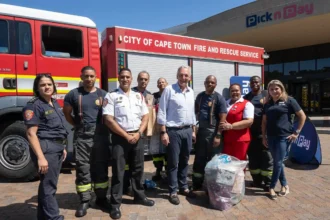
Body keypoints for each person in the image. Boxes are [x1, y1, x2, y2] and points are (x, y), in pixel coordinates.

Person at [103, 68, 155, 220]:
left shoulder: (138, 96)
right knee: (118, 172)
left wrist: (139, 133)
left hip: (137, 136)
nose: (125, 79)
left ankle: (139, 196)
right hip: (120, 138)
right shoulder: (111, 96)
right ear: (119, 78)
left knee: (138, 169)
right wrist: (126, 135)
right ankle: (115, 204)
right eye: (123, 77)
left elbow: (145, 116)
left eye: (128, 77)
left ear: (131, 79)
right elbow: (108, 119)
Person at [63, 66, 110, 217]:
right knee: (83, 168)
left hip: (101, 136)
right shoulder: (73, 94)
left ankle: (101, 198)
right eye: (86, 76)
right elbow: (67, 113)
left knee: (101, 167)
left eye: (91, 76)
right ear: (81, 77)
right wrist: (77, 125)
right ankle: (84, 200)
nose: (89, 79)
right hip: (82, 137)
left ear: (96, 77)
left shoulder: (103, 94)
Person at [23, 74, 68, 220]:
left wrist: (62, 147)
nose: (47, 87)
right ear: (37, 88)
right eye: (43, 85)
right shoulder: (33, 105)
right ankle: (54, 218)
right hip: (46, 149)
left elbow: (56, 129)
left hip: (56, 147)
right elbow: (31, 134)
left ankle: (43, 217)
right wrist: (41, 158)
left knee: (47, 185)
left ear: (53, 86)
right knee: (49, 187)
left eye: (49, 84)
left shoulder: (54, 103)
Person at [157, 65, 197, 205]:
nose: (183, 77)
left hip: (187, 130)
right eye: (181, 75)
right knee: (173, 162)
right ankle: (173, 191)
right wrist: (163, 132)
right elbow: (162, 111)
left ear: (189, 77)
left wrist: (193, 130)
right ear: (177, 76)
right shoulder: (169, 90)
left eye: (186, 75)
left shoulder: (191, 91)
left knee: (185, 160)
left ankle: (183, 187)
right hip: (173, 131)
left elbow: (192, 113)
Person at [262, 79, 306, 200]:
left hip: (284, 137)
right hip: (271, 137)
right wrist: (264, 136)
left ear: (281, 89)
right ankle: (285, 185)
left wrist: (296, 133)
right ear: (269, 91)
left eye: (277, 88)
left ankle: (271, 187)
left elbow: (302, 116)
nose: (274, 91)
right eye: (271, 89)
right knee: (278, 162)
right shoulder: (267, 103)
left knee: (277, 162)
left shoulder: (289, 101)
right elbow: (264, 121)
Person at [192, 75, 227, 190]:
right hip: (201, 132)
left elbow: (222, 119)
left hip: (213, 133)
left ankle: (212, 186)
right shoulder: (200, 97)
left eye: (212, 82)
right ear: (204, 83)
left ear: (215, 84)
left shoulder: (219, 98)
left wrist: (218, 135)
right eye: (208, 82)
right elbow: (194, 114)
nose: (210, 84)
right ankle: (197, 183)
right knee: (199, 159)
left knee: (214, 160)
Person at [124, 70, 153, 195]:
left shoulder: (150, 96)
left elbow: (150, 115)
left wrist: (149, 131)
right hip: (129, 132)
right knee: (126, 163)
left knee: (138, 163)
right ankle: (126, 185)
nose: (143, 81)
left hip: (143, 132)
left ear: (148, 81)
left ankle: (137, 186)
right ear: (137, 79)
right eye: (141, 79)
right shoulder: (131, 92)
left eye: (146, 79)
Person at [243, 76, 273, 190]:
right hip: (251, 134)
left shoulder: (267, 96)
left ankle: (268, 183)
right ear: (249, 84)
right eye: (252, 82)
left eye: (256, 82)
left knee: (267, 158)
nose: (254, 84)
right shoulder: (247, 97)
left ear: (261, 83)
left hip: (264, 133)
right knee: (253, 158)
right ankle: (256, 181)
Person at [220, 83, 254, 161]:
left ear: (241, 91)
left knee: (238, 163)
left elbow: (249, 121)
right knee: (227, 163)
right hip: (227, 139)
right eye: (232, 91)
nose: (234, 92)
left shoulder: (247, 104)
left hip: (240, 140)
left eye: (237, 90)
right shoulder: (225, 103)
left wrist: (231, 126)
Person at [152, 77, 168, 181]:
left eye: (163, 82)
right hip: (156, 127)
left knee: (167, 150)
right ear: (157, 85)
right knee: (156, 152)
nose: (161, 84)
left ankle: (167, 172)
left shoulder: (170, 95)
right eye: (159, 82)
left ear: (167, 84)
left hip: (168, 127)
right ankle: (158, 171)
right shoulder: (153, 96)